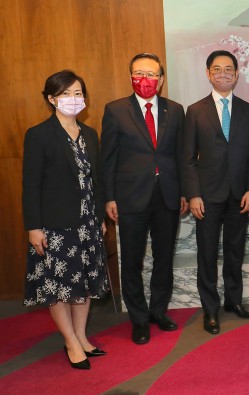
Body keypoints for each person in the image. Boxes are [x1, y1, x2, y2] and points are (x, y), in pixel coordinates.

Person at [23, 70, 109, 369]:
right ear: (51, 98)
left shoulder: (90, 134)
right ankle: (70, 340)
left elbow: (96, 181)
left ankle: (82, 336)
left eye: (78, 93)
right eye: (66, 93)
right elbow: (30, 185)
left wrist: (98, 216)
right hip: (55, 226)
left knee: (82, 283)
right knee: (59, 285)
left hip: (87, 223)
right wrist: (33, 227)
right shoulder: (39, 135)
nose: (73, 99)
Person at [101, 53, 187, 345]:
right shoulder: (115, 110)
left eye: (151, 74)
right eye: (139, 73)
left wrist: (185, 191)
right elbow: (108, 159)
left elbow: (182, 156)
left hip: (168, 196)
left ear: (161, 80)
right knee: (132, 261)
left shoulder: (175, 110)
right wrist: (109, 197)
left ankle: (158, 312)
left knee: (164, 258)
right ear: (131, 76)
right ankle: (138, 319)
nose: (145, 80)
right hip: (130, 198)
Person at [182, 50, 249, 335]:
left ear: (237, 74)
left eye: (229, 69)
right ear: (208, 73)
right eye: (217, 69)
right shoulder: (195, 110)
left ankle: (234, 302)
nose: (223, 74)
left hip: (239, 195)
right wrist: (193, 194)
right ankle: (210, 310)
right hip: (207, 196)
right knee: (207, 254)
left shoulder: (248, 110)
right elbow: (188, 158)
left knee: (235, 252)